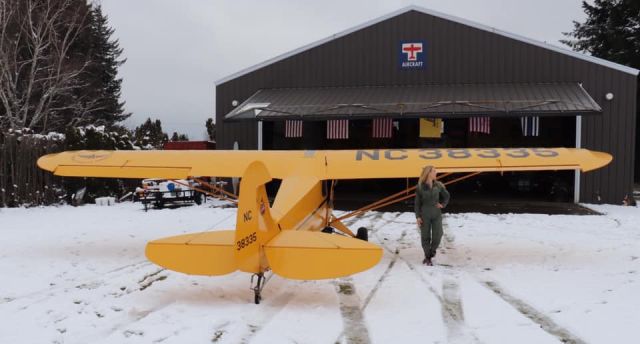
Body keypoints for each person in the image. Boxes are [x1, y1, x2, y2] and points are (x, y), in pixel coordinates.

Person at [414, 165, 450, 266]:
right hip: (424, 213)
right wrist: (418, 216)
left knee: (438, 235)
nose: (436, 173)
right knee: (425, 236)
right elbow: (417, 203)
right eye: (434, 171)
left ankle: (431, 252)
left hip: (436, 213)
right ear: (428, 173)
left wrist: (443, 204)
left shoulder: (438, 185)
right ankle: (427, 257)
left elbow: (447, 196)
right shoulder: (420, 187)